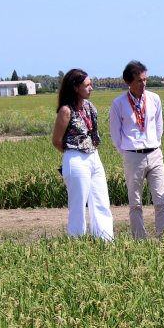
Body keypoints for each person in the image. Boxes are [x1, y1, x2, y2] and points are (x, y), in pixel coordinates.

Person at [109, 60, 164, 239]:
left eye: (145, 79)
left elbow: (159, 125)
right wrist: (127, 151)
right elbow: (115, 134)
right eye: (139, 81)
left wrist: (154, 143)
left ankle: (163, 236)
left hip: (154, 153)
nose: (143, 84)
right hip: (133, 156)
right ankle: (139, 239)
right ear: (129, 82)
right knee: (135, 202)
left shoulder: (154, 99)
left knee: (161, 199)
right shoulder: (118, 103)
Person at [51, 69, 114, 241]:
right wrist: (72, 154)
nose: (91, 88)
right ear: (75, 87)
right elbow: (56, 140)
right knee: (78, 206)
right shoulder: (66, 111)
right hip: (76, 158)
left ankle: (105, 241)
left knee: (101, 202)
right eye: (87, 85)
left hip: (94, 156)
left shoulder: (89, 107)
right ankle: (77, 243)